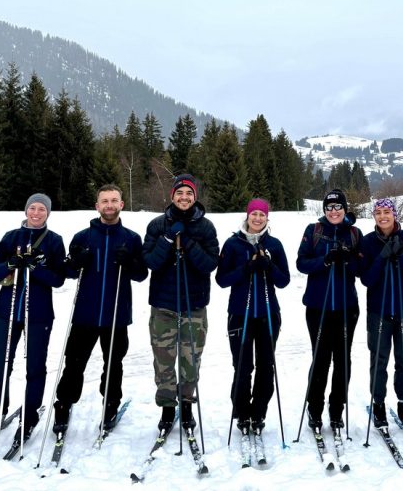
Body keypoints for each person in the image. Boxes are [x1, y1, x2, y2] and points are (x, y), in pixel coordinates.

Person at [52, 184, 148, 436]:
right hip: (86, 313)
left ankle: (111, 404)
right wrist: (76, 262)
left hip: (117, 314)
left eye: (114, 200)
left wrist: (130, 261)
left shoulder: (131, 238)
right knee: (74, 363)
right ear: (97, 206)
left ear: (121, 205)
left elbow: (141, 274)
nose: (109, 205)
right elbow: (68, 271)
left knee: (114, 363)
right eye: (104, 201)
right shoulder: (82, 237)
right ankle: (64, 403)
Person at [142, 174, 219, 433]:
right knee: (164, 361)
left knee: (190, 361)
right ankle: (167, 408)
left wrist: (188, 242)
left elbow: (209, 264)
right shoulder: (157, 225)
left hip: (193, 305)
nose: (184, 198)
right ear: (172, 195)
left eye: (189, 193)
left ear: (195, 197)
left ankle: (186, 406)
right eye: (179, 193)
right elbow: (151, 262)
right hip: (163, 305)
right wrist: (167, 240)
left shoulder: (206, 227)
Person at [0, 193, 66, 439]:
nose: (36, 213)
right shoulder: (11, 237)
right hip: (6, 311)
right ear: (26, 210)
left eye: (42, 209)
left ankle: (30, 415)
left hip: (38, 313)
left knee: (35, 366)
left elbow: (58, 279)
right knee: (0, 364)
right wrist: (10, 264)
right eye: (32, 208)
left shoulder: (54, 240)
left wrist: (36, 267)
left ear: (48, 213)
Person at [215, 198, 291, 437]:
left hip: (268, 314)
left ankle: (259, 412)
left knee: (266, 366)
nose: (258, 218)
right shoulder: (233, 244)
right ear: (247, 216)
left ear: (268, 218)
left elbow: (284, 280)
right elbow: (221, 279)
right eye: (254, 214)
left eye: (262, 214)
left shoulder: (274, 245)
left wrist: (269, 266)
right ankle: (242, 412)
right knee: (242, 366)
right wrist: (245, 269)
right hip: (240, 314)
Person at [296, 188, 365, 431]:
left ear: (345, 209)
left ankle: (337, 410)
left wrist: (347, 259)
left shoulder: (355, 234)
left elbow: (362, 269)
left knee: (343, 360)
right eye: (329, 207)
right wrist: (324, 261)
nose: (333, 211)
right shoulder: (313, 231)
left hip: (347, 307)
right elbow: (301, 263)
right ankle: (314, 409)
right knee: (321, 358)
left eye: (338, 207)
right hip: (318, 307)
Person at [360, 198, 403, 428]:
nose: (383, 216)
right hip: (379, 311)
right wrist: (382, 256)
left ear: (394, 214)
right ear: (374, 216)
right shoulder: (368, 242)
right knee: (379, 359)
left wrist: (402, 256)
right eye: (378, 212)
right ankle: (378, 403)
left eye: (387, 211)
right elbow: (367, 279)